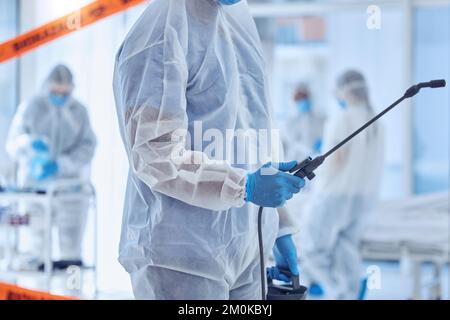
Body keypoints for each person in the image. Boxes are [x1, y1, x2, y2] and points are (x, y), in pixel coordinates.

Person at [113, 0, 305, 300]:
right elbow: (156, 154)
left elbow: (254, 128)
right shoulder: (161, 29)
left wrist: (278, 223)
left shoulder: (238, 16)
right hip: (180, 257)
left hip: (248, 249)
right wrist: (244, 187)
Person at [299, 70, 384, 300]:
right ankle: (349, 290)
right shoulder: (376, 120)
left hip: (335, 195)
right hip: (363, 197)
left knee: (311, 249)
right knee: (345, 248)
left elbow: (335, 160)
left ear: (345, 90)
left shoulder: (343, 118)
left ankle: (338, 290)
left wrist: (310, 174)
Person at [6, 64, 97, 269]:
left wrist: (62, 165)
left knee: (71, 256)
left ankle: (72, 294)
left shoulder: (79, 112)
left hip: (70, 192)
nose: (60, 96)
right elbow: (13, 144)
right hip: (35, 191)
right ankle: (40, 293)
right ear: (46, 87)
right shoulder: (31, 107)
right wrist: (30, 144)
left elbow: (88, 147)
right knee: (36, 253)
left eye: (65, 92)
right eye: (55, 91)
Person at [283, 84, 325, 160]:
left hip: (317, 158)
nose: (303, 101)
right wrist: (307, 149)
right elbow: (292, 142)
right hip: (297, 159)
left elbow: (324, 135)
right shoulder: (290, 121)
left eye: (304, 98)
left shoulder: (320, 118)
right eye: (299, 99)